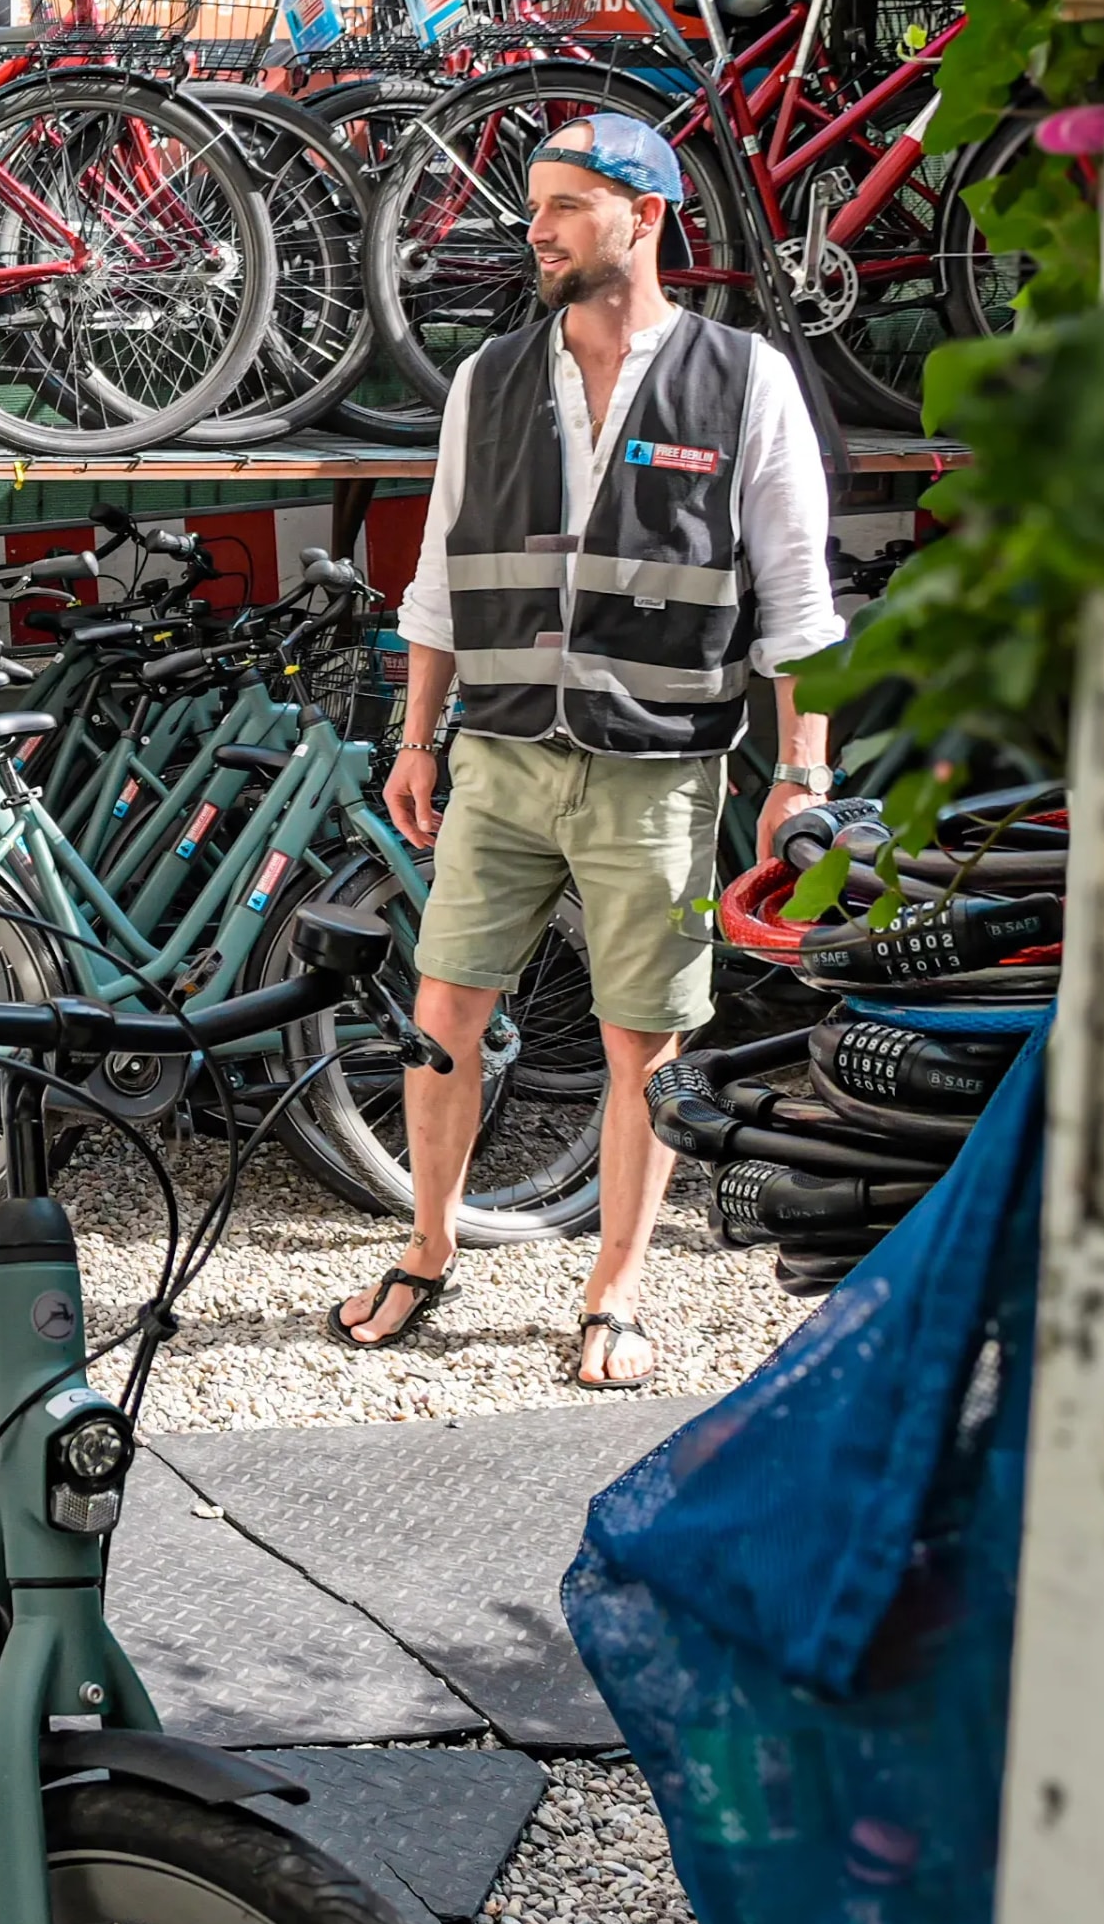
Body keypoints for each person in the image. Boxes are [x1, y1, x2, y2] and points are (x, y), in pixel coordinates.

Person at [337, 113, 845, 1390]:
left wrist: (803, 772)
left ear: (647, 215)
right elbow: (439, 575)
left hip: (661, 770)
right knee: (445, 1009)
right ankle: (429, 1246)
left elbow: (799, 604)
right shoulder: (487, 379)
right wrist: (416, 735)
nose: (536, 228)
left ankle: (614, 1284)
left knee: (643, 1040)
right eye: (535, 205)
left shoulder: (744, 380)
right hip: (500, 757)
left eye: (566, 204)